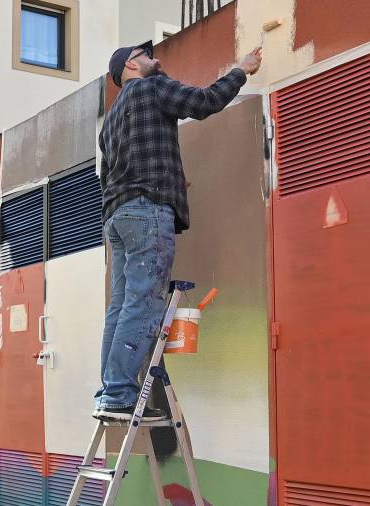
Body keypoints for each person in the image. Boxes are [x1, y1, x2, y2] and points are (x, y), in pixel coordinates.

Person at [93, 41, 263, 421]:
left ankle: (110, 389)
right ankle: (120, 392)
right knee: (144, 302)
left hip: (119, 216)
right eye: (147, 55)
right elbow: (204, 103)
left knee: (121, 305)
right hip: (147, 210)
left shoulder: (112, 119)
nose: (157, 59)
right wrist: (241, 69)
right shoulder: (151, 88)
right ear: (131, 66)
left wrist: (166, 183)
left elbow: (110, 176)